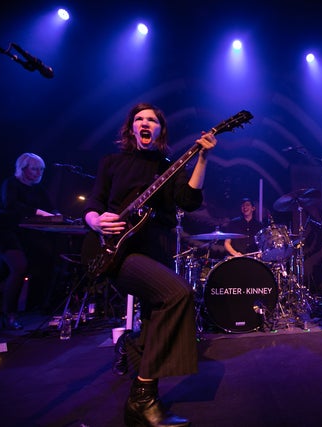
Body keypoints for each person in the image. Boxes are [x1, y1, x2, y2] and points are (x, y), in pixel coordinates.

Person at [81, 102, 217, 427]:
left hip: (156, 248)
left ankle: (137, 376)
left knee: (156, 317)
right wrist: (96, 221)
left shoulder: (168, 166)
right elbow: (95, 202)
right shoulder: (112, 162)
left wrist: (203, 157)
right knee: (178, 294)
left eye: (152, 120)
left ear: (159, 130)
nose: (145, 123)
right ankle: (142, 397)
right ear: (131, 128)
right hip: (117, 251)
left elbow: (189, 199)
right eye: (139, 119)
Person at [0, 152, 59, 330]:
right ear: (23, 168)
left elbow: (49, 207)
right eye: (35, 168)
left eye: (41, 169)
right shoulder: (11, 183)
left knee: (1, 273)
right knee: (18, 267)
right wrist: (38, 212)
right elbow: (11, 205)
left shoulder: (38, 189)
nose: (39, 172)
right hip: (3, 231)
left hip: (20, 234)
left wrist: (58, 216)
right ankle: (10, 315)